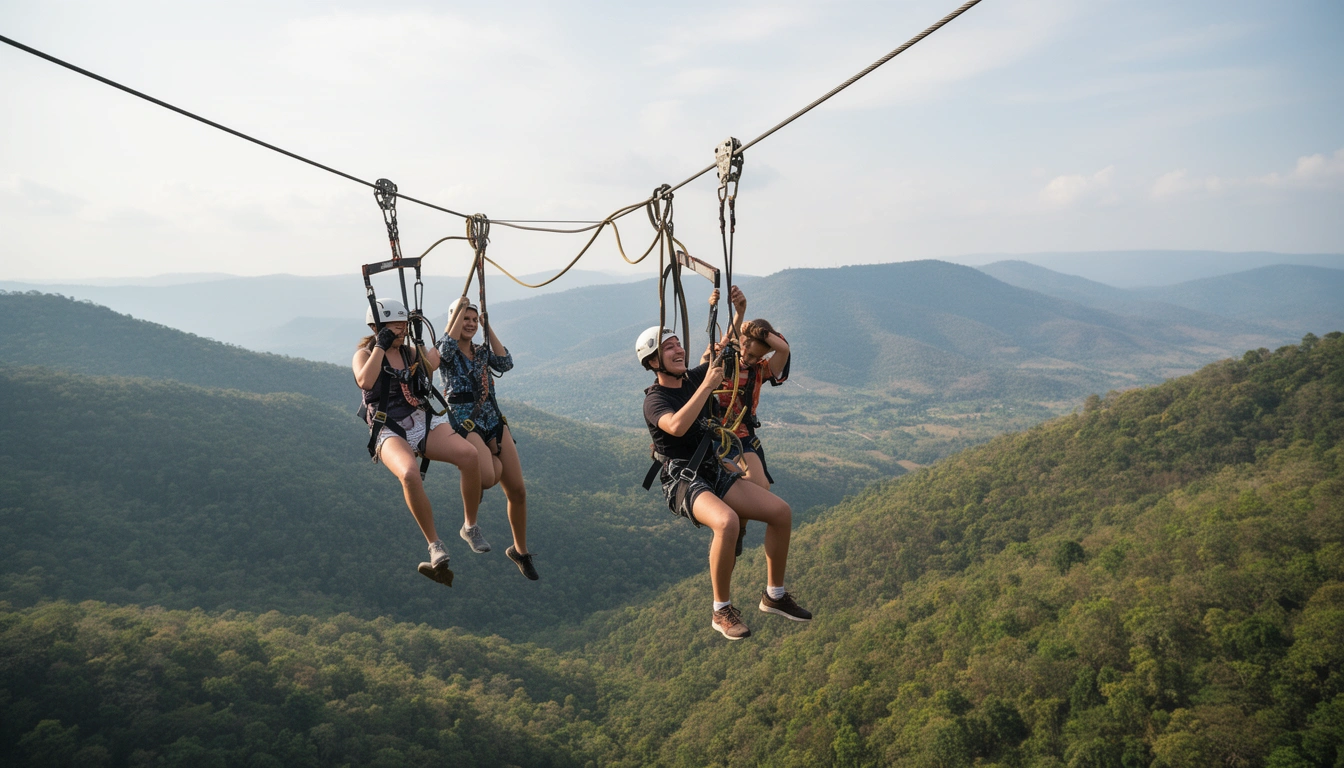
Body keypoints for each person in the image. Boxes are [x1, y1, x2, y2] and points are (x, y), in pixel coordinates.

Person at [637, 325, 811, 640]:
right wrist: (706, 387)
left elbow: (727, 358)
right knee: (727, 522)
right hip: (682, 478)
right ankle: (722, 610)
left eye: (678, 344)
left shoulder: (693, 379)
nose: (678, 350)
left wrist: (737, 320)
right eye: (668, 348)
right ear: (652, 363)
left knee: (781, 513)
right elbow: (675, 426)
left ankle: (775, 594)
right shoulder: (656, 400)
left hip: (712, 467)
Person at [352, 298, 482, 586]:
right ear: (377, 328)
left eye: (403, 324)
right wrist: (380, 347)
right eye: (393, 325)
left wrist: (457, 314)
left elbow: (434, 359)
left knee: (469, 455)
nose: (400, 329)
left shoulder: (411, 353)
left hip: (420, 418)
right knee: (410, 473)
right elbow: (366, 381)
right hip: (388, 427)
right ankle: (434, 545)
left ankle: (470, 526)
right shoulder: (364, 355)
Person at [437, 297, 537, 580]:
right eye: (463, 319)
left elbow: (505, 363)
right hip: (464, 419)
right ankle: (470, 519)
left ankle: (521, 550)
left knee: (518, 491)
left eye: (472, 319)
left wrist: (487, 326)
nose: (468, 324)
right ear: (454, 321)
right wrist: (455, 320)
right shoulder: (447, 351)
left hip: (492, 417)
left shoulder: (481, 352)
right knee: (492, 477)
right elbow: (443, 349)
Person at [713, 285, 791, 490]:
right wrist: (740, 314)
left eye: (757, 357)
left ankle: (742, 524)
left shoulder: (760, 371)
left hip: (742, 435)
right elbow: (726, 344)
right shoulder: (726, 361)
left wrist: (760, 333)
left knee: (761, 486)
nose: (749, 359)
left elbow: (783, 349)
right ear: (742, 343)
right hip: (717, 433)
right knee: (739, 483)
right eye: (747, 352)